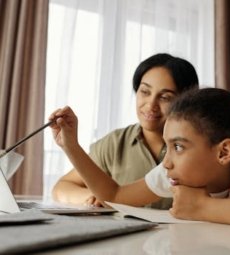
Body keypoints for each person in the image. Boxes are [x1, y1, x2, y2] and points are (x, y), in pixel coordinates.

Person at [49, 88, 230, 230]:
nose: (166, 161)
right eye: (167, 146)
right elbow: (115, 194)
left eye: (178, 147)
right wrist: (70, 146)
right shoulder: (172, 175)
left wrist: (202, 208)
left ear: (224, 152)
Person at [51, 53, 199, 209]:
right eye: (145, 92)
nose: (151, 105)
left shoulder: (196, 149)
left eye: (165, 97)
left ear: (185, 101)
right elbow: (62, 188)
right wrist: (92, 196)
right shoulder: (114, 144)